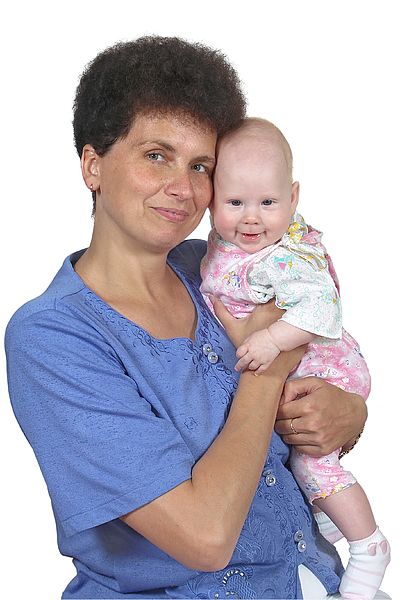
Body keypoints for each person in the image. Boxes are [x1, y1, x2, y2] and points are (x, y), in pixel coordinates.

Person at [3, 36, 379, 599]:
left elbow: (319, 336)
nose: (182, 188)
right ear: (92, 165)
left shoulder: (213, 269)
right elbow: (204, 538)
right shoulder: (54, 339)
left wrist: (346, 414)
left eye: (201, 165)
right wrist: (268, 368)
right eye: (157, 155)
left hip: (320, 580)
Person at [200, 118, 390, 599]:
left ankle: (368, 547)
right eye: (234, 202)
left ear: (294, 197)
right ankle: (324, 517)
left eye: (268, 202)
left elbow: (322, 308)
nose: (251, 218)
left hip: (322, 366)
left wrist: (270, 341)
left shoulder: (285, 256)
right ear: (210, 198)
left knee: (312, 466)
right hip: (300, 367)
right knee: (301, 460)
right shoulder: (231, 248)